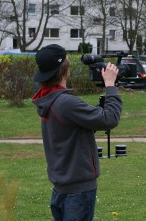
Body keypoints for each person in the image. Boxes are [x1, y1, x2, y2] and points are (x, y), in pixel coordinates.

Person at [32, 44, 122, 220]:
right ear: (64, 71)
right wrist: (110, 85)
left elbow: (74, 127)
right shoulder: (66, 103)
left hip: (61, 186)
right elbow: (110, 119)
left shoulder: (48, 99)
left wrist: (94, 114)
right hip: (78, 191)